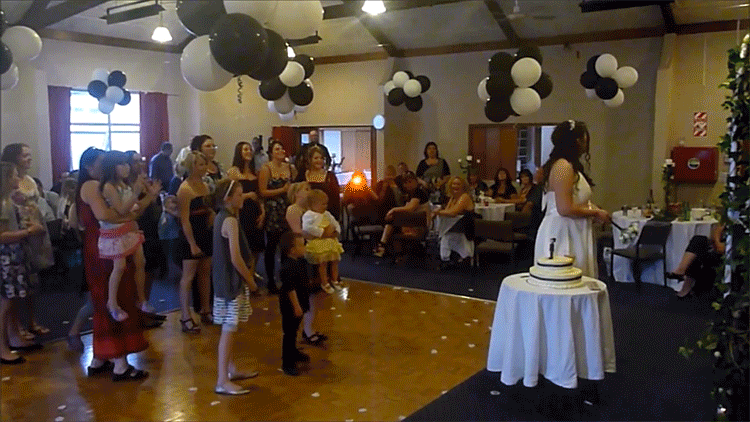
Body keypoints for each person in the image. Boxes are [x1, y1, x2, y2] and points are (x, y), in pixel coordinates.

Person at [77, 147, 153, 381]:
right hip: (103, 246)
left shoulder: (101, 185)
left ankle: (100, 358)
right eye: (102, 162)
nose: (106, 166)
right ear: (89, 166)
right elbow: (105, 215)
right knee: (113, 299)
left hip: (106, 242)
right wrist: (130, 218)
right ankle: (119, 362)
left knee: (107, 299)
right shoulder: (92, 185)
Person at [534, 120, 610, 277]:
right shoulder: (563, 167)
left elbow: (574, 201)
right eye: (584, 139)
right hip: (563, 232)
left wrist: (592, 209)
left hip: (573, 228)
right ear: (577, 141)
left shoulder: (568, 166)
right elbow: (565, 208)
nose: (586, 144)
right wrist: (595, 212)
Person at [212, 179, 259, 395]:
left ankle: (230, 369)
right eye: (239, 195)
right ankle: (222, 380)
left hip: (223, 280)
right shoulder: (229, 220)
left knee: (228, 327)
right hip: (230, 282)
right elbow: (236, 257)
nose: (243, 198)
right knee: (229, 329)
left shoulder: (222, 217)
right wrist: (250, 280)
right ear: (228, 198)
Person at [1, 143, 52, 339]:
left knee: (31, 279)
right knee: (13, 287)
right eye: (25, 155)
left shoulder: (29, 180)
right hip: (18, 231)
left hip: (32, 228)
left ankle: (31, 321)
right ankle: (16, 327)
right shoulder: (6, 185)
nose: (29, 159)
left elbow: (35, 203)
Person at [97, 151, 149, 322]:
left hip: (129, 228)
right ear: (112, 167)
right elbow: (121, 209)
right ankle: (112, 303)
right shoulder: (108, 187)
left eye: (127, 164)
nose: (126, 167)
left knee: (141, 262)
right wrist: (135, 194)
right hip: (115, 231)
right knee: (119, 266)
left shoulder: (124, 184)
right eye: (122, 164)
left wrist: (148, 195)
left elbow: (134, 208)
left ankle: (141, 298)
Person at [176, 151, 215, 333]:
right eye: (200, 164)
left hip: (205, 233)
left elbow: (207, 208)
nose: (204, 167)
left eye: (205, 164)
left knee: (205, 273)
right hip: (191, 234)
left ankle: (205, 309)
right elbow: (184, 219)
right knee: (188, 275)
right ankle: (185, 315)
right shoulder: (185, 189)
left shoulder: (204, 185)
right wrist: (192, 243)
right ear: (192, 166)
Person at [126, 151, 167, 324]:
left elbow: (154, 206)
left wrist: (154, 195)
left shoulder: (143, 181)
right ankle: (137, 310)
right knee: (138, 270)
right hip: (137, 229)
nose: (140, 164)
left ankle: (145, 306)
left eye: (141, 160)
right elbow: (135, 212)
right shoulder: (127, 186)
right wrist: (149, 196)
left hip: (151, 228)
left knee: (151, 270)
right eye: (135, 161)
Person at [285, 182, 327, 345]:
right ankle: (304, 331)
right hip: (302, 254)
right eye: (306, 189)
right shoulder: (293, 210)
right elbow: (299, 233)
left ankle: (309, 328)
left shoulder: (310, 211)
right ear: (296, 193)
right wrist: (319, 233)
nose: (309, 192)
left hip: (312, 251)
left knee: (315, 293)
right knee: (306, 294)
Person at [227, 141, 266, 287]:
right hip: (242, 212)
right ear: (239, 152)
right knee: (245, 245)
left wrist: (263, 211)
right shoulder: (234, 172)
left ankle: (251, 274)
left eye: (250, 149)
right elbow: (229, 196)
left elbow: (259, 195)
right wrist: (248, 195)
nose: (249, 152)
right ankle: (243, 278)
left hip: (255, 211)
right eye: (245, 149)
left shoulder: (254, 172)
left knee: (256, 247)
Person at [259, 140, 295, 294]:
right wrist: (281, 190)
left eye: (282, 149)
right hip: (273, 209)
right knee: (272, 246)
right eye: (277, 149)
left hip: (287, 209)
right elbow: (262, 191)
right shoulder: (266, 168)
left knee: (287, 245)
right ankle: (271, 281)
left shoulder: (290, 168)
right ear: (271, 153)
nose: (281, 151)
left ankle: (287, 278)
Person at [373, 171, 430, 257]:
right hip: (413, 223)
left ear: (415, 181)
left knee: (391, 221)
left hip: (419, 226)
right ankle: (386, 247)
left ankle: (383, 246)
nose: (408, 185)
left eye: (410, 182)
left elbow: (410, 208)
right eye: (406, 183)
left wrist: (393, 210)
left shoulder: (418, 192)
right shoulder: (411, 194)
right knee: (390, 221)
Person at [278, 231, 312, 376]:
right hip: (291, 305)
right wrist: (296, 306)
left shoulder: (299, 262)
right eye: (302, 245)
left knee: (294, 330)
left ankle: (293, 351)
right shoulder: (288, 267)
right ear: (292, 250)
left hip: (300, 300)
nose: (305, 247)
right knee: (289, 332)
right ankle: (287, 362)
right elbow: (290, 288)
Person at [667, 223, 725, 298]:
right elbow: (717, 229)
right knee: (699, 240)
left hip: (730, 252)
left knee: (697, 251)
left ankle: (683, 280)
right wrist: (717, 242)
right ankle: (681, 270)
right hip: (718, 247)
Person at [302, 189, 344, 293]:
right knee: (322, 264)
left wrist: (336, 231)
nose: (325, 206)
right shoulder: (309, 215)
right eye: (322, 204)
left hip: (330, 241)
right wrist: (322, 232)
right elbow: (307, 228)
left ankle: (334, 280)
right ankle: (324, 282)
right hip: (318, 242)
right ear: (312, 204)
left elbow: (335, 223)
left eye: (326, 204)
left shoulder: (327, 214)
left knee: (335, 261)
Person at [433, 176, 475, 268]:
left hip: (466, 226)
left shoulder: (465, 197)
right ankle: (447, 257)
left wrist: (438, 212)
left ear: (463, 186)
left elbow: (453, 213)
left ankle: (449, 256)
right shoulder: (453, 198)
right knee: (446, 231)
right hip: (456, 224)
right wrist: (440, 212)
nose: (455, 186)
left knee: (445, 231)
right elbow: (447, 211)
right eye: (453, 184)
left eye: (458, 184)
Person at [295, 145, 341, 220]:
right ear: (310, 160)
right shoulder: (302, 175)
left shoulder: (330, 176)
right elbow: (295, 194)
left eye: (321, 158)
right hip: (307, 216)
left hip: (326, 215)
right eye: (316, 158)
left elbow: (336, 200)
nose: (319, 161)